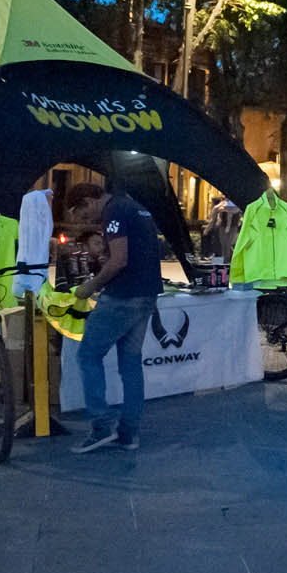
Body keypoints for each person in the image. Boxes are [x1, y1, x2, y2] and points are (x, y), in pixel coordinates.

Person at [67, 181, 165, 453]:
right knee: (130, 364)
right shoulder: (135, 206)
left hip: (123, 296)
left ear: (89, 201)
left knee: (88, 355)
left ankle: (101, 427)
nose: (87, 220)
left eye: (83, 213)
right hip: (147, 294)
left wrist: (90, 286)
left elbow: (119, 259)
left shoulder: (114, 211)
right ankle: (128, 433)